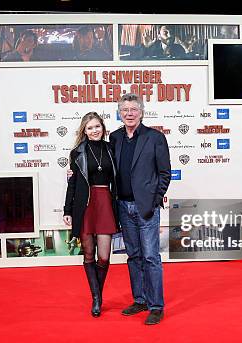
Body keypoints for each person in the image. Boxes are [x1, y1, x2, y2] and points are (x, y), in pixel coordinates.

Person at [110, 93, 171, 325]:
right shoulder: (114, 137)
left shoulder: (155, 137)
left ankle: (156, 305)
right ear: (119, 112)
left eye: (133, 109)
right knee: (133, 256)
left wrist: (155, 199)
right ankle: (140, 300)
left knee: (150, 257)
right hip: (123, 206)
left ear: (141, 112)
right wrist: (76, 170)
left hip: (146, 207)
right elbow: (104, 165)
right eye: (124, 110)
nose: (129, 114)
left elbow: (165, 172)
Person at [63, 112, 118, 317]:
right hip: (85, 205)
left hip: (105, 203)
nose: (94, 130)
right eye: (90, 128)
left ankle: (98, 293)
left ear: (102, 128)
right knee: (88, 254)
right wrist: (67, 210)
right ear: (84, 131)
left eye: (97, 126)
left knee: (103, 257)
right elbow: (72, 184)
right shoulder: (77, 153)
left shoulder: (112, 149)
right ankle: (96, 298)